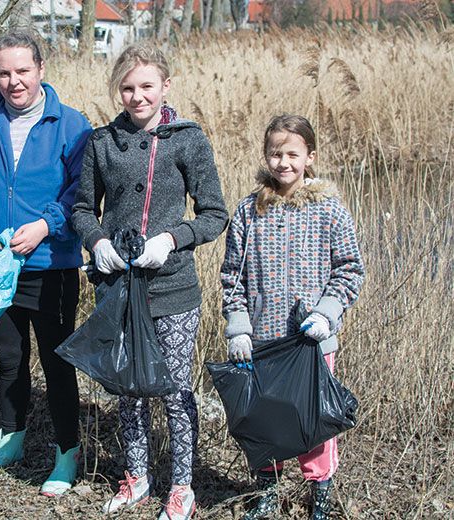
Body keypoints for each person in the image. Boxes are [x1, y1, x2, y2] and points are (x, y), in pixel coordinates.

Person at [71, 44, 228, 520]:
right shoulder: (101, 143)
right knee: (128, 388)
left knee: (177, 390)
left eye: (146, 86)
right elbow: (81, 209)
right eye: (127, 87)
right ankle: (136, 475)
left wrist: (174, 238)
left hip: (173, 289)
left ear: (165, 85)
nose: (136, 96)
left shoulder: (187, 140)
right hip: (118, 289)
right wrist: (97, 242)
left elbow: (214, 214)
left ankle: (182, 486)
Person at [0, 31, 92, 496]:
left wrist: (47, 225)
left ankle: (67, 453)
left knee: (56, 360)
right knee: (10, 359)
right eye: (4, 73)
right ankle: (11, 437)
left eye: (22, 71)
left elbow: (80, 193)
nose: (14, 82)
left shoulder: (71, 125)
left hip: (50, 264)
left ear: (41, 69)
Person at [220, 114, 365, 520]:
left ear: (309, 157)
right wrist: (238, 328)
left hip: (310, 341)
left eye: (292, 154)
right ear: (265, 156)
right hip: (261, 342)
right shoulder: (250, 210)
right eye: (275, 153)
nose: (283, 162)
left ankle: (319, 495)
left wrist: (327, 314)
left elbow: (350, 268)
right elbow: (232, 276)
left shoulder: (330, 209)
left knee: (312, 421)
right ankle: (266, 492)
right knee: (263, 419)